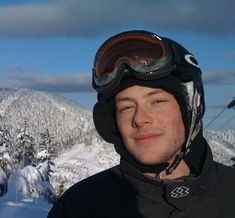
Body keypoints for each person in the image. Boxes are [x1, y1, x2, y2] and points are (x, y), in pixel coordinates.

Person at [47, 30, 235, 218]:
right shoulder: (79, 207)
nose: (139, 118)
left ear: (191, 108)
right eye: (126, 107)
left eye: (157, 102)